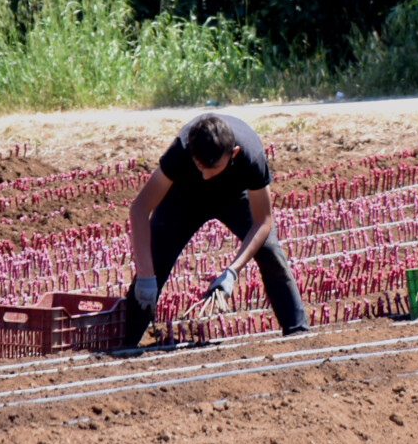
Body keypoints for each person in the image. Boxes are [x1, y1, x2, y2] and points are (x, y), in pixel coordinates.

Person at [122, 113, 309, 346]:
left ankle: (298, 332)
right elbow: (139, 208)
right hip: (184, 197)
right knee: (156, 258)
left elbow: (263, 221)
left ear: (234, 153)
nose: (205, 175)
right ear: (192, 152)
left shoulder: (251, 155)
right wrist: (145, 275)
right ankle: (125, 341)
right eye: (200, 166)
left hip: (234, 197)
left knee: (270, 251)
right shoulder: (181, 150)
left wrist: (232, 271)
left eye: (213, 168)